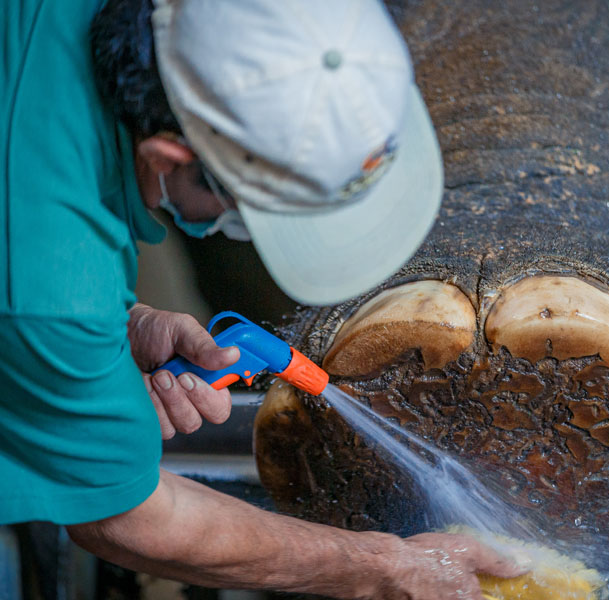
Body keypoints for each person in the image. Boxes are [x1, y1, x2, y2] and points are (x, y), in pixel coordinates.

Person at [0, 0, 523, 597]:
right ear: (169, 158)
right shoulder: (54, 285)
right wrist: (386, 568)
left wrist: (120, 323)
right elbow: (124, 517)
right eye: (256, 220)